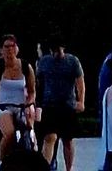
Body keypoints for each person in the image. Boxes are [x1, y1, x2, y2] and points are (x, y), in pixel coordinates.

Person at [36, 32, 85, 171]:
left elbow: (80, 82)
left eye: (60, 50)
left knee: (68, 140)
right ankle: (45, 167)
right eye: (55, 50)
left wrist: (81, 101)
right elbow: (38, 83)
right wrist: (37, 103)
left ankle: (69, 168)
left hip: (67, 105)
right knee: (49, 137)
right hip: (49, 105)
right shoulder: (44, 62)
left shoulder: (72, 61)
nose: (58, 53)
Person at [0, 33, 35, 161]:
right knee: (10, 132)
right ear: (1, 49)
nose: (10, 50)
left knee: (30, 131)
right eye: (6, 47)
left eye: (12, 46)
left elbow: (32, 91)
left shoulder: (25, 66)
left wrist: (29, 104)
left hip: (20, 106)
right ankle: (0, 160)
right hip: (2, 106)